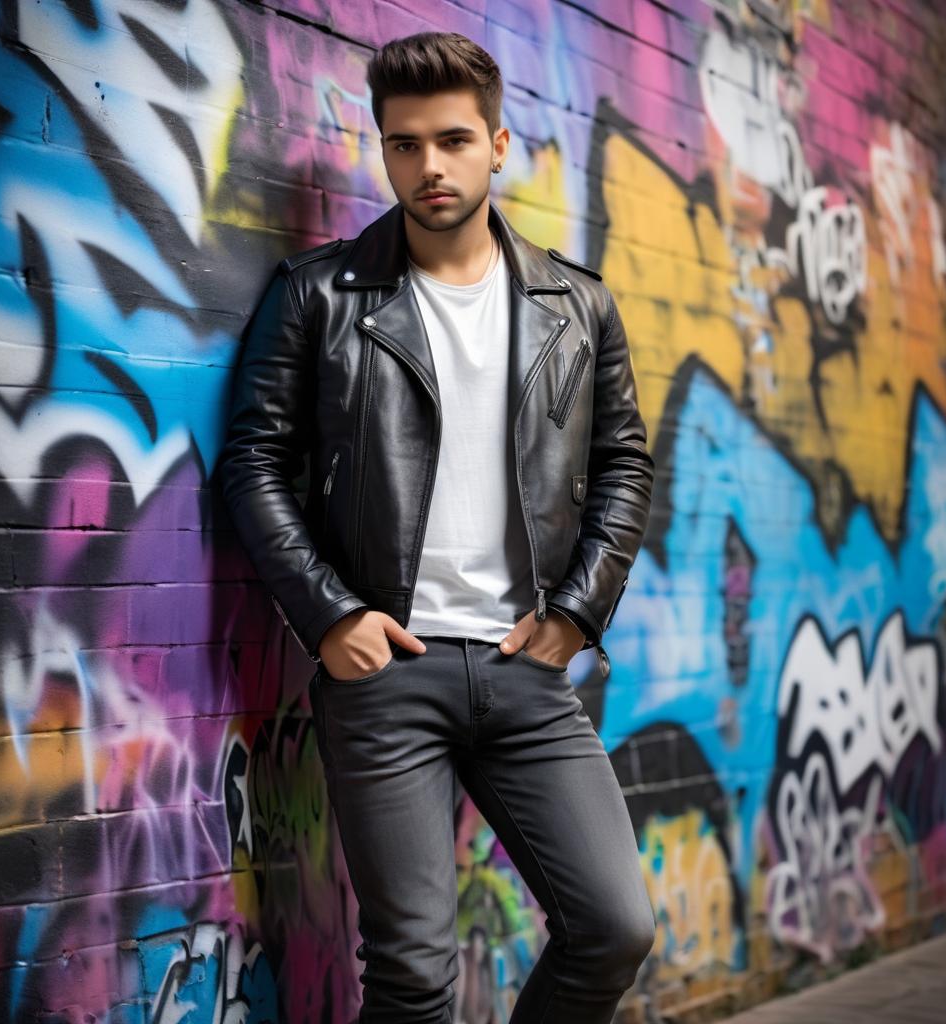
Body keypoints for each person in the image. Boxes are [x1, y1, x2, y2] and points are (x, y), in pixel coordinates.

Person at [217, 29, 657, 1024]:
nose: (430, 167)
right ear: (384, 149)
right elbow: (252, 463)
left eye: (453, 140)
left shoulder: (573, 307)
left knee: (613, 925)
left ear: (498, 144)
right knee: (413, 977)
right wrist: (331, 617)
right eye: (405, 145)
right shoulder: (317, 297)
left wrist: (580, 609)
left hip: (525, 666)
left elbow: (622, 463)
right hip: (386, 674)